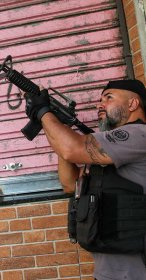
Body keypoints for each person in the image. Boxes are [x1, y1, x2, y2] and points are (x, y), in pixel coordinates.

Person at [23, 79, 146, 279]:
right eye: (100, 99)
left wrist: (43, 113)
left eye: (109, 98)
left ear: (133, 104)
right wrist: (57, 124)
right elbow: (70, 184)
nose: (100, 104)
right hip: (108, 272)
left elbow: (71, 149)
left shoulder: (139, 135)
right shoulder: (108, 146)